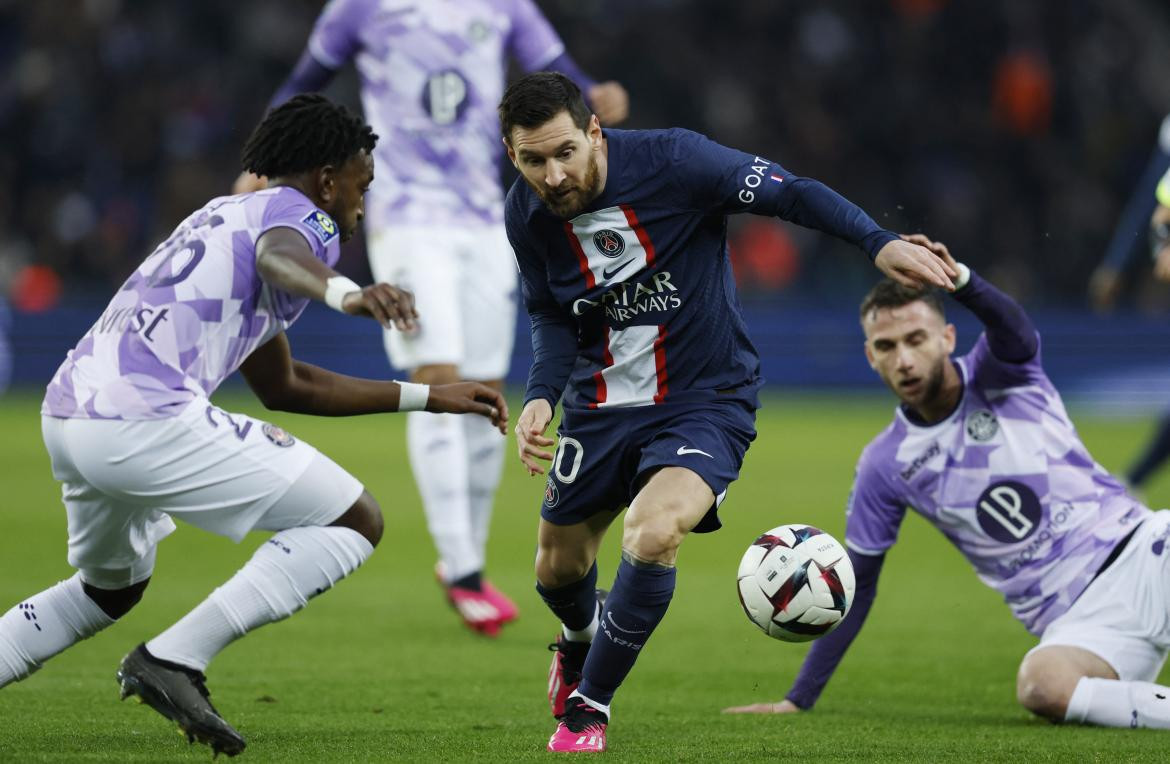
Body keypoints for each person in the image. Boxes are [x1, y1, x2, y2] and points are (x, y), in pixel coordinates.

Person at [0, 94, 507, 758]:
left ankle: (159, 657)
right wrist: (347, 294)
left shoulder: (226, 214)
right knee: (355, 520)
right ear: (328, 178)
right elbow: (280, 256)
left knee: (108, 589)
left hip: (70, 414)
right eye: (362, 184)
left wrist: (426, 396)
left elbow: (286, 386)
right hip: (143, 418)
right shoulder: (300, 220)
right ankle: (174, 658)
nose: (362, 203)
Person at [499, 71, 956, 753]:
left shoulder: (677, 162)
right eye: (533, 160)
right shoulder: (525, 212)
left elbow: (793, 194)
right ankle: (578, 640)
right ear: (513, 156)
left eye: (565, 151)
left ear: (594, 131)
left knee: (653, 534)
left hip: (703, 399)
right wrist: (540, 393)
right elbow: (549, 312)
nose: (553, 174)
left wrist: (874, 241)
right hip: (598, 406)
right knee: (556, 571)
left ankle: (589, 707)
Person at [233, 0, 629, 637]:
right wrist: (260, 167)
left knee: (482, 391)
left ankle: (463, 558)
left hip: (485, 216)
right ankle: (464, 565)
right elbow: (300, 85)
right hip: (407, 217)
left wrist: (598, 95)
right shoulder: (359, 8)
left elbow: (559, 73)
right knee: (437, 371)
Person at [724, 237, 1170, 730]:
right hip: (1078, 624)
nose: (905, 360)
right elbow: (857, 585)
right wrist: (799, 697)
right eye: (887, 347)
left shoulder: (1000, 372)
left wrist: (962, 280)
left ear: (948, 338)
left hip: (1142, 553)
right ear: (871, 357)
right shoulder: (884, 464)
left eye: (916, 339)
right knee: (1041, 684)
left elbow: (1014, 329)